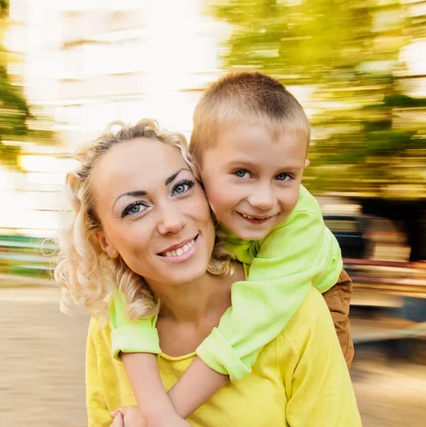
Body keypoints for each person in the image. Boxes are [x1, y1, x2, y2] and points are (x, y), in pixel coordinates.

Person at [54, 119, 361, 426]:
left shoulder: (299, 313)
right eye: (135, 207)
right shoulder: (108, 327)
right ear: (104, 241)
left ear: (207, 190)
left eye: (181, 187)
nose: (171, 222)